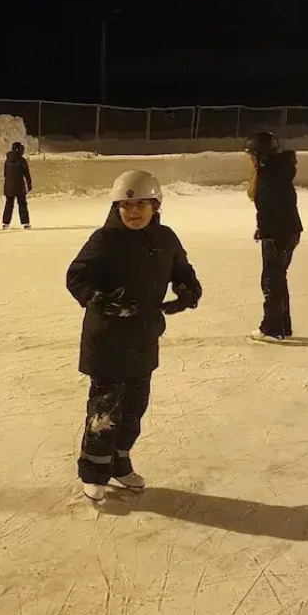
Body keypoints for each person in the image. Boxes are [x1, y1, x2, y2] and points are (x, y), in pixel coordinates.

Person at [66, 170, 202, 502]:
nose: (134, 212)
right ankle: (94, 470)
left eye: (142, 204)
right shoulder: (104, 240)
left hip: (143, 339)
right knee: (105, 411)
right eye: (126, 205)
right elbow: (76, 276)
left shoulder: (166, 239)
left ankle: (119, 461)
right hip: (107, 340)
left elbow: (182, 271)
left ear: (156, 205)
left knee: (134, 408)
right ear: (116, 208)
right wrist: (98, 298)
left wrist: (187, 291)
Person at [245, 131, 303, 342]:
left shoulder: (269, 176)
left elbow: (271, 208)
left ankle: (272, 328)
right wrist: (263, 228)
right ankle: (282, 326)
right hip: (286, 231)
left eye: (252, 154)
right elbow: (276, 207)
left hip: (278, 233)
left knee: (271, 280)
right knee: (277, 278)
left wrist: (266, 231)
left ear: (262, 155)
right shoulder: (276, 172)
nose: (249, 158)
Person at [2, 141, 32, 229]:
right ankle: (25, 223)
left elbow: (5, 174)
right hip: (19, 187)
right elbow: (26, 173)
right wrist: (29, 184)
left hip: (9, 186)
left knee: (8, 205)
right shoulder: (22, 160)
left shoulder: (7, 161)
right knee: (22, 204)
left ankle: (5, 223)